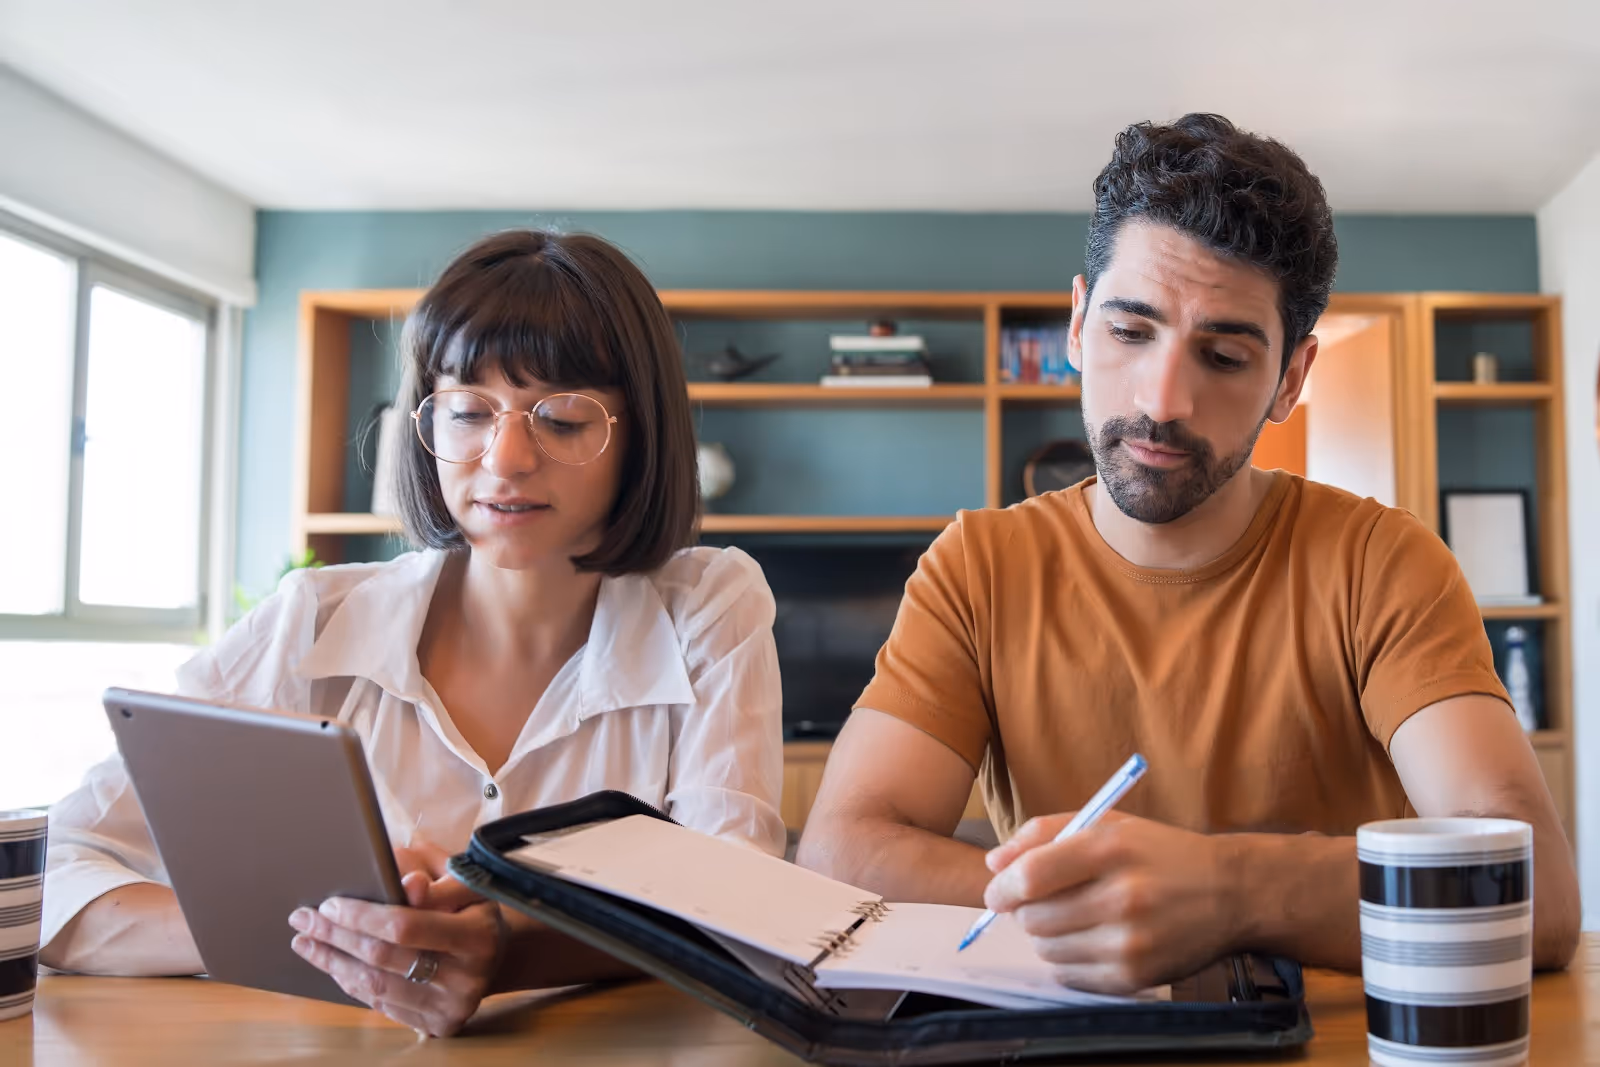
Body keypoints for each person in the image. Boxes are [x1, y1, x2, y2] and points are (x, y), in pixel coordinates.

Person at [795, 114, 1580, 990]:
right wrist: (1106, 900)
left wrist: (1226, 890)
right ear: (1077, 324)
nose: (1163, 400)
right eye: (1130, 333)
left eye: (1224, 355)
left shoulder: (1382, 562)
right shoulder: (976, 568)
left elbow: (1537, 891)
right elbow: (840, 852)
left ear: (1290, 378)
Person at [41, 229, 787, 1035]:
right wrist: (330, 934)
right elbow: (47, 877)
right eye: (468, 412)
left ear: (640, 435)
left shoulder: (711, 602)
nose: (504, 459)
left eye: (564, 419)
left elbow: (736, 903)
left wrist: (506, 947)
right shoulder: (311, 623)